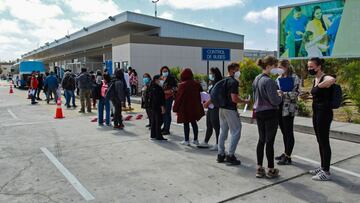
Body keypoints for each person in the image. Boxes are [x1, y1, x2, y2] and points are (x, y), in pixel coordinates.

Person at [253, 56, 282, 179]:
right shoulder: (269, 81)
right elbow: (275, 101)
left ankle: (259, 168)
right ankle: (271, 169)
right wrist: (280, 95)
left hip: (259, 112)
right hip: (270, 113)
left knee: (261, 140)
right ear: (269, 66)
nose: (276, 68)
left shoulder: (257, 78)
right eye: (275, 65)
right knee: (269, 142)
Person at [308, 57, 335, 181]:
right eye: (308, 67)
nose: (309, 69)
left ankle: (326, 172)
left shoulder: (325, 77)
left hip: (324, 114)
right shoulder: (315, 78)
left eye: (311, 67)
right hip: (316, 112)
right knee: (320, 140)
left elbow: (332, 79)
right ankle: (323, 166)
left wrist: (319, 85)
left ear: (318, 67)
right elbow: (316, 94)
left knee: (324, 141)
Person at [217, 63, 249, 166]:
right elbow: (234, 98)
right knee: (236, 131)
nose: (239, 72)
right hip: (230, 109)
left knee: (223, 131)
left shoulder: (222, 81)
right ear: (232, 70)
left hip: (221, 109)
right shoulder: (233, 82)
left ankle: (220, 154)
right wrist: (245, 101)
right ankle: (230, 156)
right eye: (237, 70)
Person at [275, 60, 301, 165]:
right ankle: (285, 153)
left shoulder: (294, 78)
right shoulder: (279, 78)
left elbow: (297, 93)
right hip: (280, 107)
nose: (278, 69)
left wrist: (283, 93)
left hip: (289, 108)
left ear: (286, 67)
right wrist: (276, 92)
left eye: (280, 67)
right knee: (284, 132)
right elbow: (275, 89)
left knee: (289, 132)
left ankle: (288, 157)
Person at [173, 68, 205, 146]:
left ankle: (187, 140)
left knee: (186, 123)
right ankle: (195, 139)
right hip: (194, 106)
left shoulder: (182, 85)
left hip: (185, 107)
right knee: (194, 123)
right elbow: (201, 93)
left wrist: (175, 108)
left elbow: (179, 98)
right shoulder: (197, 84)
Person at [198, 67, 223, 150]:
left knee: (216, 126)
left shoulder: (219, 83)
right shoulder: (212, 83)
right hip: (210, 107)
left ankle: (218, 144)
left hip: (215, 106)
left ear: (215, 74)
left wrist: (207, 102)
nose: (210, 75)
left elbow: (216, 96)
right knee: (209, 125)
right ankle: (205, 142)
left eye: (211, 73)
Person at [160, 66, 178, 135]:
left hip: (168, 98)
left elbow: (176, 87)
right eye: (163, 71)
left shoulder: (171, 78)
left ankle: (167, 129)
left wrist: (170, 91)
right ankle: (164, 127)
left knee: (167, 113)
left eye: (166, 71)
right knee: (163, 113)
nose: (165, 72)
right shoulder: (161, 78)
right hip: (161, 98)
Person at [150, 75, 167, 141]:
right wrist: (162, 107)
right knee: (159, 121)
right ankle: (158, 136)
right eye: (160, 79)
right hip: (158, 107)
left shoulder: (152, 86)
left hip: (153, 106)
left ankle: (153, 134)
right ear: (156, 80)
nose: (162, 80)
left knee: (154, 121)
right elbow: (159, 99)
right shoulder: (157, 88)